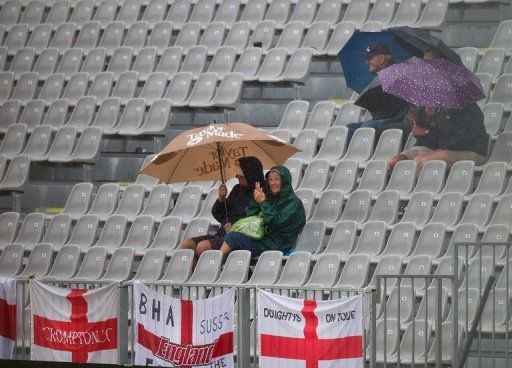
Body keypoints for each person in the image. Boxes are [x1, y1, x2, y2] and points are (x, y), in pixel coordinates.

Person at [179, 156, 265, 257]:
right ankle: (196, 272)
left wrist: (236, 227)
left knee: (203, 247)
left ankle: (210, 272)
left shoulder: (262, 192)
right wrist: (221, 198)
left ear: (249, 174)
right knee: (187, 245)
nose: (236, 176)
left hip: (240, 237)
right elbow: (220, 215)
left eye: (240, 174)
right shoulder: (237, 189)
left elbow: (259, 221)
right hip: (223, 233)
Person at [218, 166, 306, 260]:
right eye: (270, 180)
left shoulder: (294, 202)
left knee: (232, 238)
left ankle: (216, 269)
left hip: (276, 244)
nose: (272, 183)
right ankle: (232, 272)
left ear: (285, 181)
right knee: (231, 239)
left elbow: (277, 223)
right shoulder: (269, 197)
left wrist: (263, 203)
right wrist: (256, 201)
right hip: (260, 239)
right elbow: (250, 217)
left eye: (277, 179)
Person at [346, 42, 409, 141]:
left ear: (381, 59)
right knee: (349, 128)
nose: (366, 62)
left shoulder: (395, 74)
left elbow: (396, 109)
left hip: (395, 119)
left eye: (370, 58)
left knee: (367, 127)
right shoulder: (379, 77)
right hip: (381, 118)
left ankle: (362, 155)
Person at [412, 103, 489, 172]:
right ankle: (428, 187)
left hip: (473, 152)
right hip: (452, 150)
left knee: (425, 163)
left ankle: (428, 187)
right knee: (417, 160)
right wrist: (432, 117)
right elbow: (438, 134)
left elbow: (462, 140)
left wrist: (443, 146)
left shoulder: (470, 109)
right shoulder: (444, 110)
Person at [388, 105, 441, 170]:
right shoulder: (422, 110)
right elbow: (416, 133)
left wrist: (426, 131)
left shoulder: (443, 111)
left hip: (436, 149)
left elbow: (444, 136)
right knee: (393, 162)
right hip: (419, 146)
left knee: (417, 163)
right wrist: (414, 121)